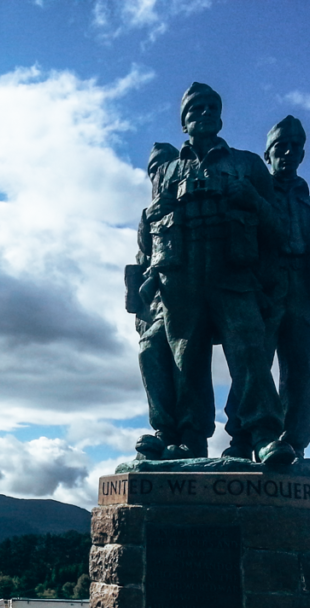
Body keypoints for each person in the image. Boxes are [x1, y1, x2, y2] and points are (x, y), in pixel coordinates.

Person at [147, 83, 291, 465]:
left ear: (221, 115)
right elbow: (149, 231)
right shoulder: (167, 171)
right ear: (184, 123)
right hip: (181, 278)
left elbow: (279, 230)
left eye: (212, 107)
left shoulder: (247, 164)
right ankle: (189, 439)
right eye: (196, 109)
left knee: (249, 353)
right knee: (186, 358)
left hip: (233, 273)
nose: (205, 113)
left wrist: (254, 202)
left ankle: (261, 434)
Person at [224, 115, 310, 463]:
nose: (288, 153)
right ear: (267, 154)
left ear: (303, 154)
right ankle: (243, 438)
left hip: (305, 293)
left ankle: (294, 442)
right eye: (280, 147)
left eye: (295, 147)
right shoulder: (253, 194)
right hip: (266, 290)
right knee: (252, 364)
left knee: (304, 375)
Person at [133, 143, 214, 461]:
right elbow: (142, 258)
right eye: (153, 171)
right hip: (155, 303)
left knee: (187, 359)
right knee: (150, 351)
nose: (158, 176)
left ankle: (192, 435)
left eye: (162, 169)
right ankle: (164, 430)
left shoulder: (187, 205)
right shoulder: (150, 215)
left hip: (189, 291)